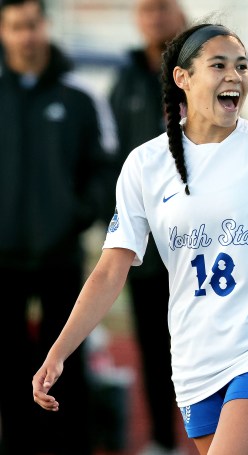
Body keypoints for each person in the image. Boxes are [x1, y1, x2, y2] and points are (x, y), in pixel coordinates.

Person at [32, 20, 248, 455]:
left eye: (242, 66)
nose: (235, 76)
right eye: (219, 65)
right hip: (195, 362)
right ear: (183, 78)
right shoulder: (145, 164)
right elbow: (110, 270)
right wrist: (58, 352)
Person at [0, 0, 118, 453]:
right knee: (8, 362)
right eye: (15, 27)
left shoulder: (80, 95)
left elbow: (105, 166)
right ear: (4, 32)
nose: (25, 35)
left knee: (65, 361)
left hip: (60, 254)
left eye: (32, 25)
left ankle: (69, 447)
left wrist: (75, 215)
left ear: (45, 27)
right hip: (3, 259)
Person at [108, 1, 186, 453]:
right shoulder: (125, 84)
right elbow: (107, 161)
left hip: (201, 240)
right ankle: (162, 440)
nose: (154, 17)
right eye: (146, 9)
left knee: (211, 345)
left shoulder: (202, 72)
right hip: (148, 245)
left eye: (162, 7)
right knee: (154, 348)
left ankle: (222, 438)